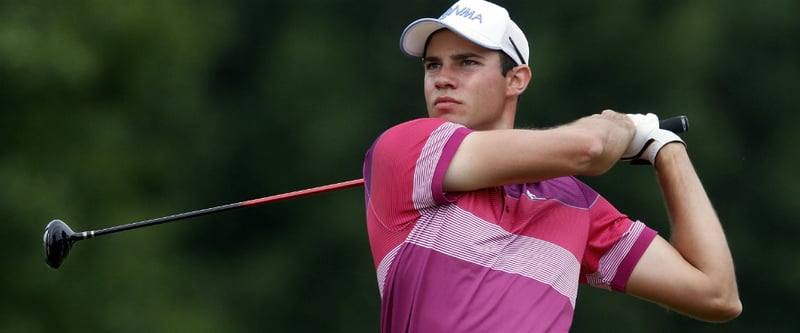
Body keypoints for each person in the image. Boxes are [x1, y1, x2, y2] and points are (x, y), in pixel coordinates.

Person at [362, 0, 742, 331]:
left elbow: (716, 295)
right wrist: (622, 125)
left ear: (516, 79)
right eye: (432, 65)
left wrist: (667, 150)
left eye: (467, 63)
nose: (443, 79)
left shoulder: (575, 203)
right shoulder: (406, 148)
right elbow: (592, 146)